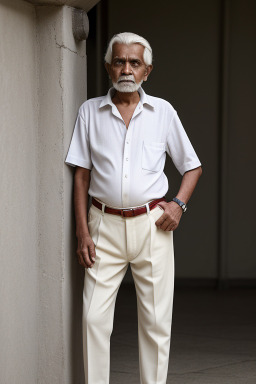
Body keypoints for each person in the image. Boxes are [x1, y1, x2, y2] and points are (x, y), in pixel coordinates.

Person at [65, 32, 202, 384]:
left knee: (156, 323)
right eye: (120, 61)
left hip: (152, 227)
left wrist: (179, 205)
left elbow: (192, 166)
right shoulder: (89, 112)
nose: (127, 68)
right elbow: (81, 176)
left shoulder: (163, 113)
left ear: (147, 71)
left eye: (135, 62)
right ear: (109, 66)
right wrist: (82, 232)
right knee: (94, 319)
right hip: (102, 227)